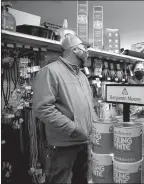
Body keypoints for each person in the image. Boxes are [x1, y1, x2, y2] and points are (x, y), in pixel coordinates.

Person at [33, 34, 98, 184]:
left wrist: (95, 127)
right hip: (63, 145)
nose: (87, 51)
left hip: (83, 142)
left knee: (81, 179)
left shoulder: (81, 76)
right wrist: (73, 129)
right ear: (74, 50)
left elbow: (89, 105)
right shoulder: (50, 71)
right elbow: (43, 108)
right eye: (85, 48)